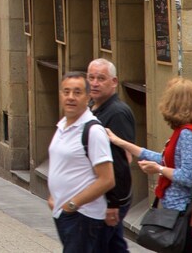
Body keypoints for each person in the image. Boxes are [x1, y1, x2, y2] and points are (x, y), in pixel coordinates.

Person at [107, 77, 192, 253]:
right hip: (180, 211)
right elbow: (164, 157)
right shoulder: (189, 130)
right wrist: (122, 143)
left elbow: (188, 176)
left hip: (182, 213)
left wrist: (159, 170)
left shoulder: (187, 133)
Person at [47, 71, 115, 252]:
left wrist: (73, 204)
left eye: (77, 92)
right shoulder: (63, 125)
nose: (70, 97)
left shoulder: (93, 131)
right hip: (65, 214)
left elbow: (107, 179)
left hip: (83, 216)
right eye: (66, 92)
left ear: (87, 97)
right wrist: (54, 198)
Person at [86, 58, 135, 252]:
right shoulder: (92, 107)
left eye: (101, 78)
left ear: (114, 82)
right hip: (99, 197)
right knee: (114, 246)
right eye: (91, 78)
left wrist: (114, 202)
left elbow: (122, 161)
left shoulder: (117, 113)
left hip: (109, 199)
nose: (95, 83)